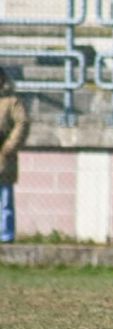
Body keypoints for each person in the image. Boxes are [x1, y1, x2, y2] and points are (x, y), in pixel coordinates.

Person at [0, 67, 30, 243]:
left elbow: (22, 123)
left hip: (3, 158)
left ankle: (5, 236)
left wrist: (8, 146)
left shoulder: (12, 102)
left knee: (4, 199)